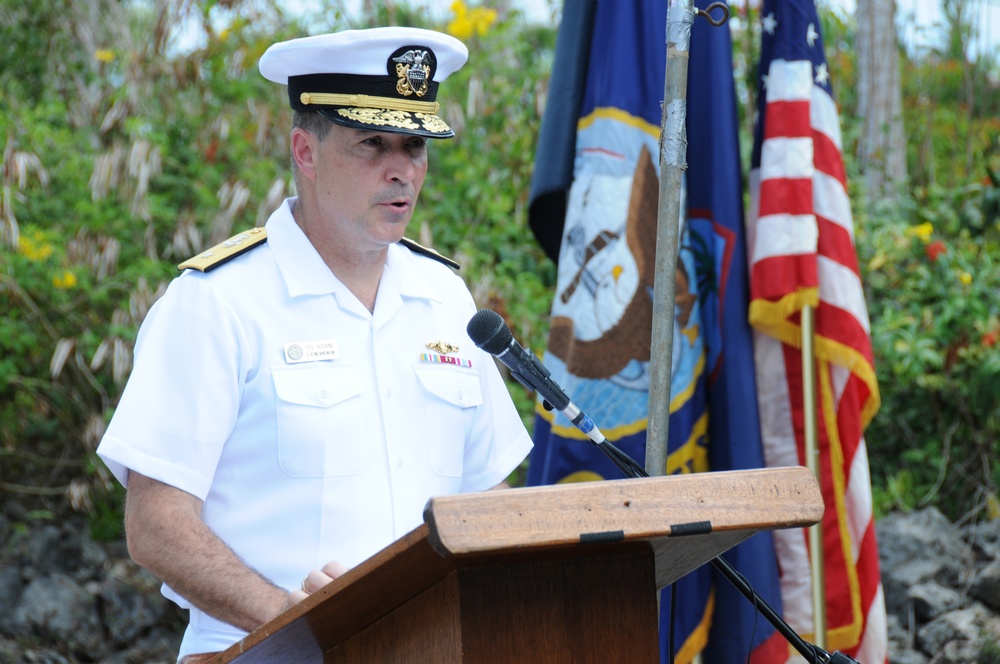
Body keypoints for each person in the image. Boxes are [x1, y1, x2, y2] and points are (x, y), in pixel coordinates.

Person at [96, 27, 533, 663]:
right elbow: (156, 525)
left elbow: (487, 494)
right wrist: (300, 618)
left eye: (415, 146)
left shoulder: (444, 297)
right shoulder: (217, 302)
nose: (400, 169)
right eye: (372, 144)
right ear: (305, 149)